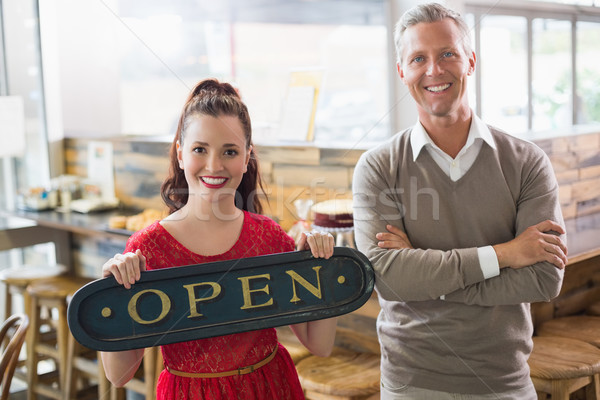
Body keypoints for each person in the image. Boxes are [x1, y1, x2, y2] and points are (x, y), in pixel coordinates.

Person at [352, 3, 568, 399]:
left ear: (470, 60)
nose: (434, 70)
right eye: (419, 58)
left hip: (504, 382)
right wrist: (505, 254)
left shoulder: (526, 161)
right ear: (402, 71)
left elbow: (544, 278)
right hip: (410, 383)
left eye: (447, 53)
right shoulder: (377, 167)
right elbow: (388, 277)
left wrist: (425, 273)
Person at [101, 78, 336, 400]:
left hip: (272, 386)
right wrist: (111, 297)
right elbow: (119, 375)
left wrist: (322, 267)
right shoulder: (147, 249)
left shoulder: (269, 236)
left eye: (229, 151)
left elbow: (319, 345)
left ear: (246, 157)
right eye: (200, 149)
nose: (214, 165)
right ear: (181, 154)